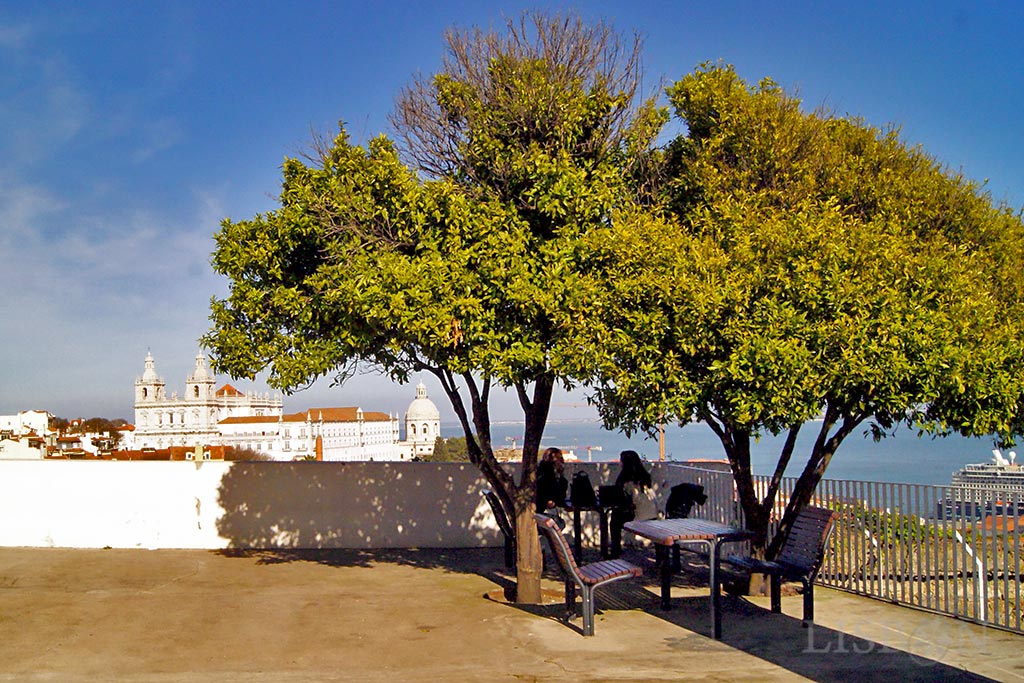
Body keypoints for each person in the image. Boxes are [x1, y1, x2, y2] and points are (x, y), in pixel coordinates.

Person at [610, 450, 656, 557]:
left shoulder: (626, 480)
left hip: (638, 514)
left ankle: (615, 552)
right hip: (651, 513)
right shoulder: (645, 477)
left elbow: (624, 499)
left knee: (615, 522)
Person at [535, 447, 568, 528]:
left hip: (537, 516)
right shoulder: (549, 478)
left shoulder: (540, 473)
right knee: (560, 523)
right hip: (540, 517)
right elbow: (552, 502)